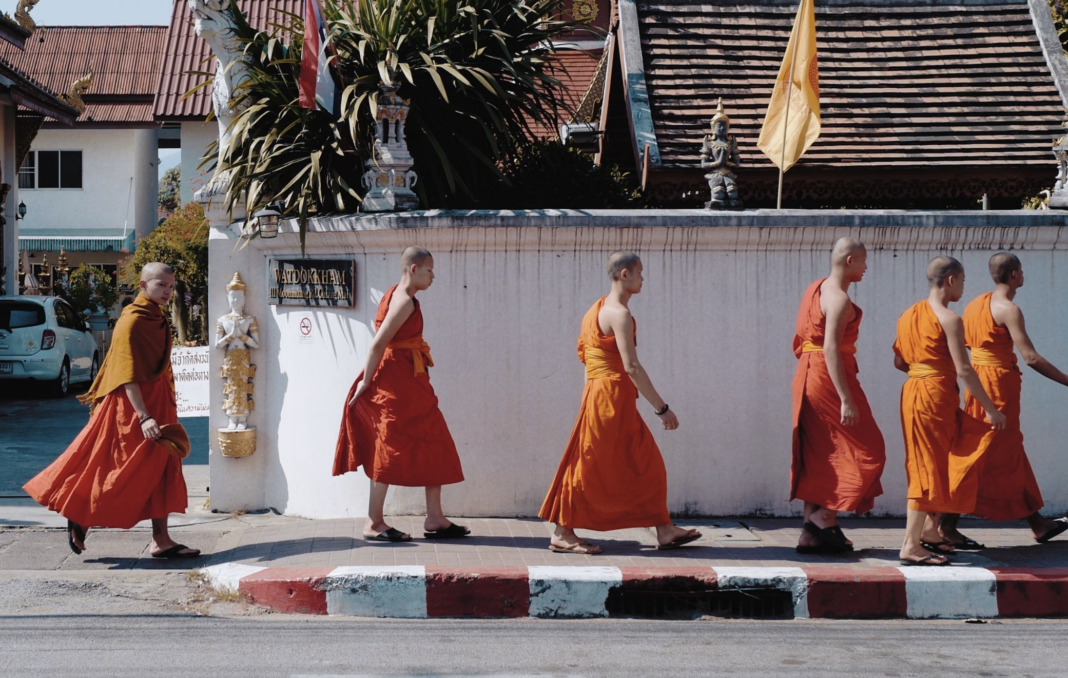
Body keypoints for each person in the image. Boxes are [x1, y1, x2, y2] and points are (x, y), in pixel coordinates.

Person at [24, 263, 198, 558]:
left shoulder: (155, 315)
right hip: (134, 410)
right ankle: (81, 514)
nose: (167, 291)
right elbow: (126, 373)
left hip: (159, 403)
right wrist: (144, 416)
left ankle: (161, 539)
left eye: (170, 286)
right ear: (143, 285)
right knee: (122, 472)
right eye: (161, 285)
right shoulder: (132, 321)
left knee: (163, 469)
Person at [538, 252, 701, 554]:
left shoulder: (595, 309)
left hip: (602, 394)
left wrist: (594, 395)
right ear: (625, 274)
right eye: (640, 272)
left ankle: (664, 529)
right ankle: (562, 532)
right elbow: (632, 367)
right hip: (610, 397)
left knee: (643, 462)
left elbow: (589, 360)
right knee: (590, 463)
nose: (643, 279)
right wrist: (662, 408)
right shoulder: (620, 314)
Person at [333, 247, 467, 542]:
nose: (433, 276)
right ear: (414, 268)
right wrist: (365, 382)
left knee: (434, 438)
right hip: (396, 385)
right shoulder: (405, 301)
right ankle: (374, 522)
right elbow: (378, 344)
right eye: (429, 270)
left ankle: (435, 517)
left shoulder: (394, 293)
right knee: (389, 446)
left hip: (411, 382)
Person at [938, 253, 1068, 547]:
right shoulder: (1009, 309)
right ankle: (945, 522)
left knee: (1009, 449)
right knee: (979, 451)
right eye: (1021, 271)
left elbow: (971, 344)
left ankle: (1038, 523)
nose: (1023, 276)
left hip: (979, 382)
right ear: (1013, 275)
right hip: (998, 387)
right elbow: (1031, 357)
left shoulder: (975, 304)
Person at [892, 256, 1006, 566]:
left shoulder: (907, 315)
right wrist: (991, 410)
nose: (964, 288)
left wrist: (925, 372)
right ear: (951, 281)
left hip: (915, 391)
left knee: (944, 458)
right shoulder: (950, 319)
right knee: (926, 466)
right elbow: (965, 370)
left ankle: (930, 532)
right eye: (963, 281)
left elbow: (900, 362)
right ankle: (910, 545)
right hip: (934, 395)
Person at [791, 238, 886, 554]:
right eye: (863, 261)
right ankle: (823, 516)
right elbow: (830, 347)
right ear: (849, 260)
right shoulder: (840, 299)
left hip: (808, 373)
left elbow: (804, 338)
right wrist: (846, 398)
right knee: (870, 448)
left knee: (820, 452)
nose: (866, 267)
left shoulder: (814, 288)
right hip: (829, 376)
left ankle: (810, 534)